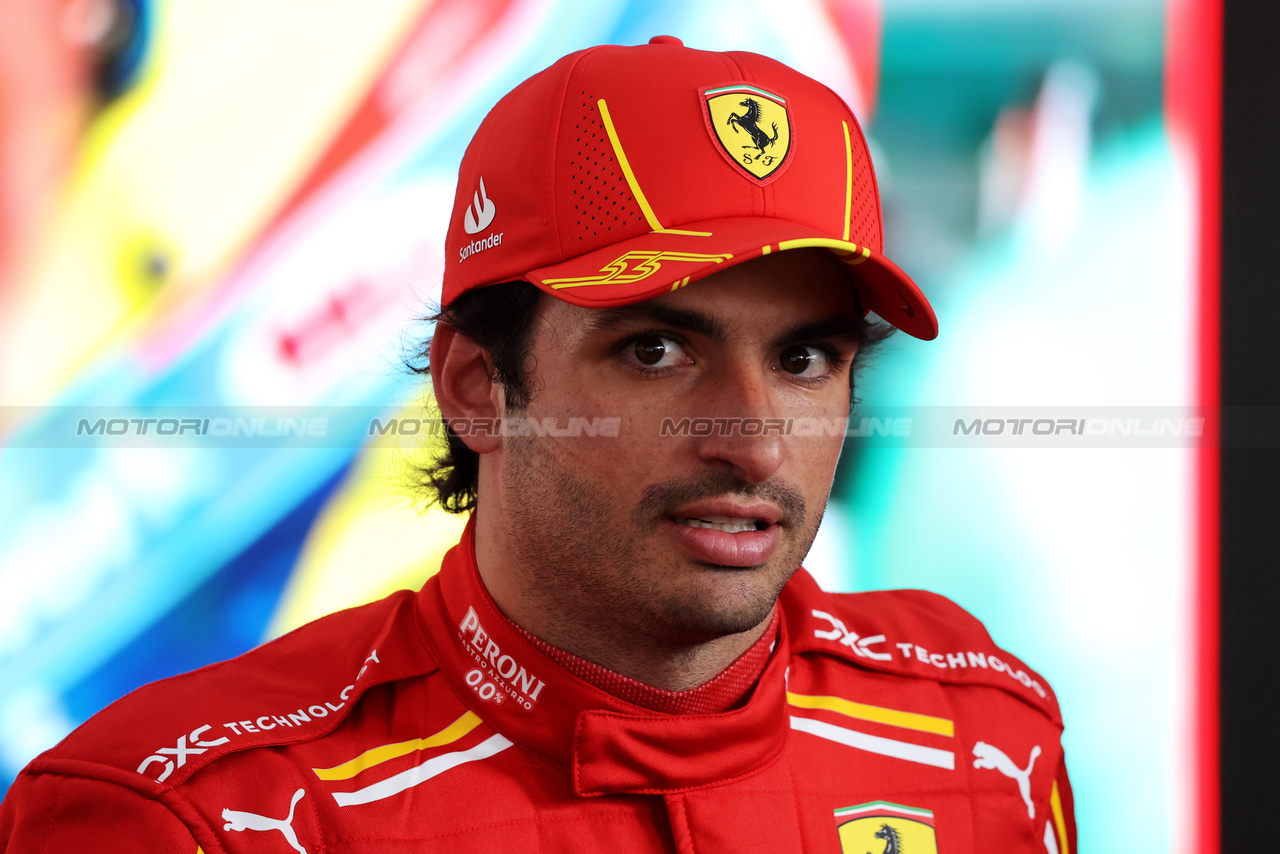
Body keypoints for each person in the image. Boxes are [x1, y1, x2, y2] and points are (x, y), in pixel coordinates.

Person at [0, 37, 1075, 853]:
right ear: (476, 385)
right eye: (655, 349)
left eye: (803, 359)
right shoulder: (200, 811)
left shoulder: (978, 735)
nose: (752, 439)